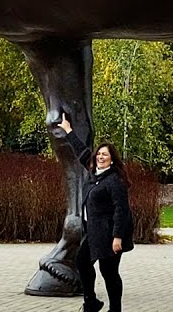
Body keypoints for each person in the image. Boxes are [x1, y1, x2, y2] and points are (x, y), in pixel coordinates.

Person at [58, 114, 133, 312]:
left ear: (111, 160)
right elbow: (82, 152)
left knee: (109, 272)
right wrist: (68, 130)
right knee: (82, 262)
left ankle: (115, 309)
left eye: (105, 155)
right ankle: (91, 302)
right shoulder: (95, 173)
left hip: (110, 234)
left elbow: (121, 210)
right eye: (99, 154)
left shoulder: (114, 180)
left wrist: (117, 237)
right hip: (93, 233)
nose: (100, 157)